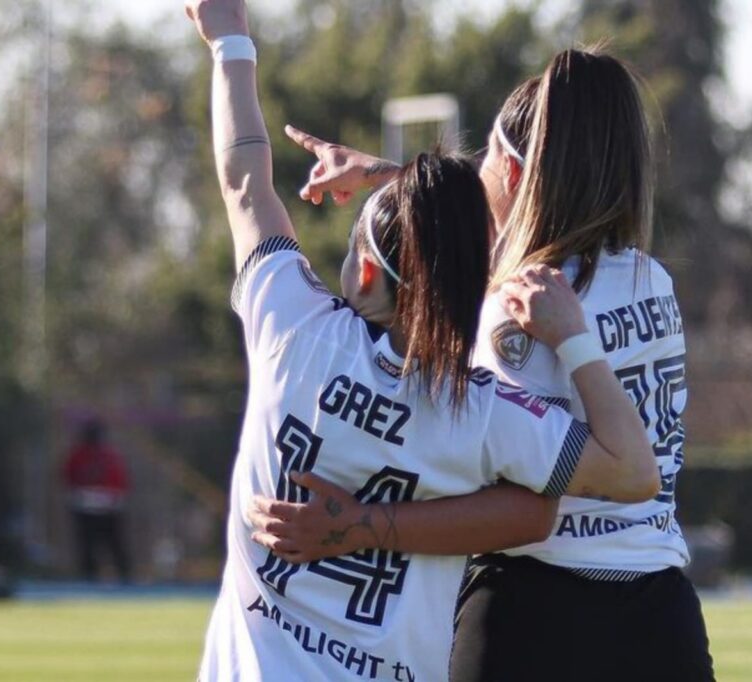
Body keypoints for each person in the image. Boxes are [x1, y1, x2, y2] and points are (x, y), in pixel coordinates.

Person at [183, 2, 659, 679]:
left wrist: (230, 43)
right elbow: (630, 470)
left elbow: (243, 178)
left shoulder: (289, 324)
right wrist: (577, 344)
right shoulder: (484, 412)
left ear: (367, 268)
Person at [62, 417, 131, 582]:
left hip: (108, 507)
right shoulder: (78, 455)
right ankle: (89, 577)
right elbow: (68, 477)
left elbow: (120, 480)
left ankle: (124, 576)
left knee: (114, 543)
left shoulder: (109, 455)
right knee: (87, 545)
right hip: (85, 506)